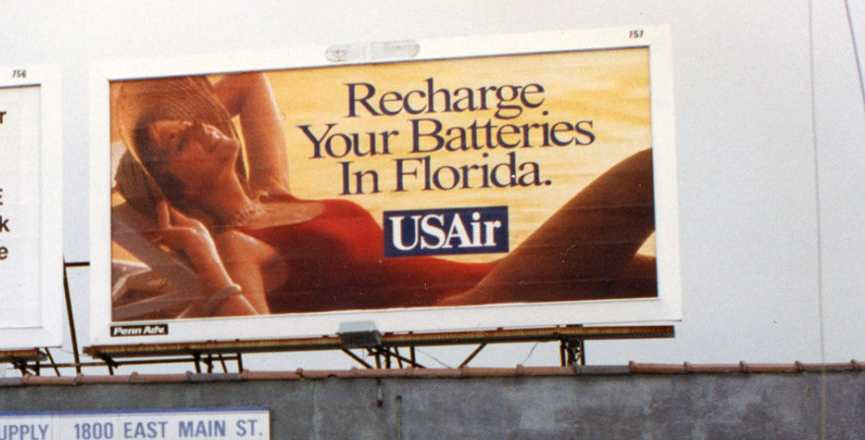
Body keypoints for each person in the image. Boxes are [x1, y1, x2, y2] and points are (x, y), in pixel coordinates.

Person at [112, 73, 658, 318]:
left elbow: (252, 81)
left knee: (658, 278)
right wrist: (203, 255)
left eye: (189, 119)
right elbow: (255, 345)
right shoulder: (236, 246)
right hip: (470, 305)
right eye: (179, 140)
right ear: (178, 188)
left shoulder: (271, 190)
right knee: (646, 172)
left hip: (491, 273)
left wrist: (186, 115)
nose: (198, 126)